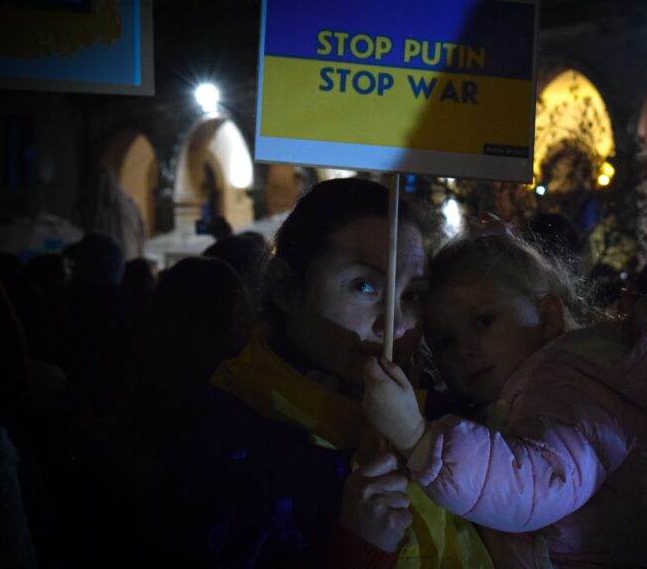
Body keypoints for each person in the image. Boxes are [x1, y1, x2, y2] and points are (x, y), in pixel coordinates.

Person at [157, 178, 491, 567]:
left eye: (413, 295)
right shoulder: (221, 447)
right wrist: (356, 550)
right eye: (364, 285)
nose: (395, 324)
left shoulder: (446, 422)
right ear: (286, 287)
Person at [364, 228, 647, 568]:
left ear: (549, 316)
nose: (464, 351)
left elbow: (540, 484)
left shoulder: (566, 384)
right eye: (445, 342)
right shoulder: (527, 390)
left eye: (483, 321)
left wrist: (417, 438)